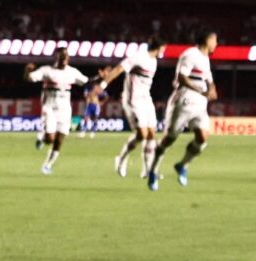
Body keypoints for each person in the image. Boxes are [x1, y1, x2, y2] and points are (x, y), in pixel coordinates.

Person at [150, 32, 219, 188]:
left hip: (200, 104)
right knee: (169, 139)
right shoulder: (190, 55)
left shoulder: (205, 58)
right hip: (184, 100)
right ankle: (153, 170)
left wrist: (212, 89)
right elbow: (182, 77)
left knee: (202, 137)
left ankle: (182, 165)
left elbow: (209, 80)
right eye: (215, 40)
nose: (216, 44)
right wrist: (201, 91)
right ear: (207, 40)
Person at [91, 38, 165, 180]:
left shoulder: (153, 61)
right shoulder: (138, 57)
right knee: (141, 134)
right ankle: (121, 158)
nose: (164, 50)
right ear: (160, 47)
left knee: (151, 134)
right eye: (164, 47)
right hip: (133, 100)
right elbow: (119, 69)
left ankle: (147, 171)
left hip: (146, 99)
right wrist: (103, 85)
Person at [24, 46, 90, 174]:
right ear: (56, 57)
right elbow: (29, 78)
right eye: (62, 55)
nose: (64, 57)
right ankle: (43, 137)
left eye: (66, 55)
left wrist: (103, 78)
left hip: (65, 110)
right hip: (50, 108)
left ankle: (47, 165)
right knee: (50, 139)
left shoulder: (73, 72)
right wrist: (27, 70)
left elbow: (86, 81)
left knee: (59, 140)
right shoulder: (47, 70)